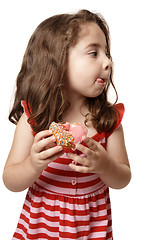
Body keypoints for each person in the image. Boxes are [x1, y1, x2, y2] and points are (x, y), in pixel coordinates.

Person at [3, 9, 131, 240]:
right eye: (94, 53)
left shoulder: (107, 120)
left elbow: (123, 178)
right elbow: (11, 181)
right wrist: (33, 164)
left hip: (91, 228)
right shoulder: (35, 119)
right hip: (41, 227)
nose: (108, 62)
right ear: (58, 60)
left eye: (107, 53)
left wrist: (105, 165)